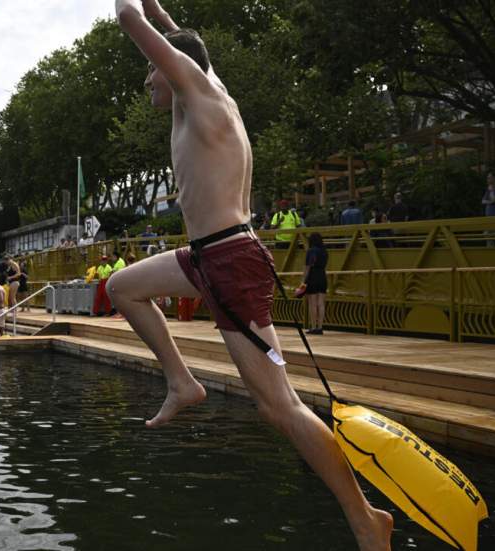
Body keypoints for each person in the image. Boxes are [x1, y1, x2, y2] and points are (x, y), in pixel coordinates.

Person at [111, 3, 392, 548]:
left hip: (229, 260)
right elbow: (174, 32)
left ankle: (364, 517)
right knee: (122, 287)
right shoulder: (209, 89)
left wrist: (139, 15)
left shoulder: (193, 89)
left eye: (152, 67)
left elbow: (129, 18)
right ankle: (181, 381)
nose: (148, 76)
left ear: (174, 67)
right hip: (207, 255)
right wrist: (159, 15)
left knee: (278, 405)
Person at [302, 232, 328, 335]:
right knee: (321, 303)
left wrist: (303, 281)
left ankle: (313, 327)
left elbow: (308, 266)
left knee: (312, 303)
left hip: (312, 276)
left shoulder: (311, 251)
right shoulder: (324, 251)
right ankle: (320, 327)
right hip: (322, 275)